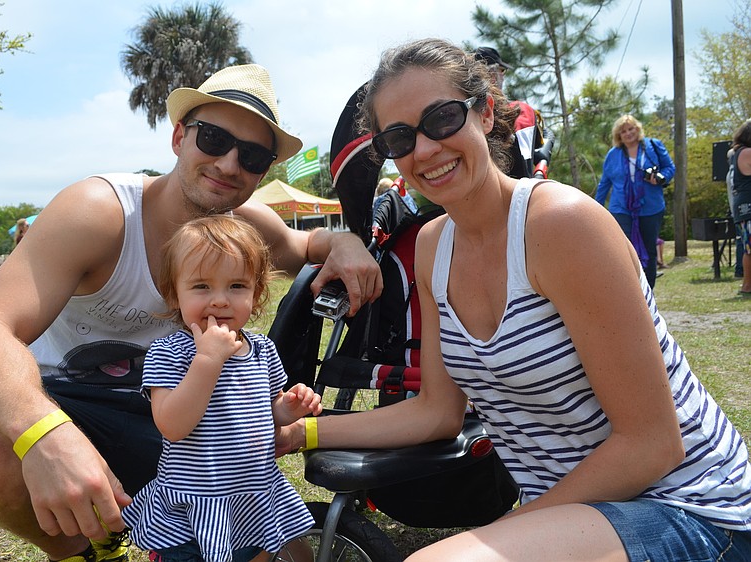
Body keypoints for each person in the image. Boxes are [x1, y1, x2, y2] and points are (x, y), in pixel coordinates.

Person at [277, 38, 751, 561]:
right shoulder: (434, 249)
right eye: (400, 137)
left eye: (441, 118)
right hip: (583, 515)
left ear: (483, 112)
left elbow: (652, 445)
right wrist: (304, 431)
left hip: (694, 507)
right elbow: (436, 413)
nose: (426, 149)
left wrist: (507, 527)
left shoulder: (561, 225)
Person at [0, 63, 381, 562]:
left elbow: (304, 243)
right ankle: (83, 551)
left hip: (174, 407)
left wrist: (344, 242)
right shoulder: (99, 211)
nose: (229, 164)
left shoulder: (241, 226)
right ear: (179, 136)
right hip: (67, 396)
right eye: (213, 138)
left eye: (254, 155)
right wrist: (47, 434)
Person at [122, 216, 321, 562]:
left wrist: (289, 408)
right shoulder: (170, 353)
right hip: (196, 509)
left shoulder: (263, 350)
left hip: (252, 499)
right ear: (174, 294)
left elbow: (266, 409)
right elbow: (172, 424)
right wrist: (208, 362)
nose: (219, 300)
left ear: (256, 293)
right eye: (201, 287)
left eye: (236, 286)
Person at [595, 114, 675, 288]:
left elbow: (670, 168)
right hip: (621, 209)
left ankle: (648, 291)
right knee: (624, 250)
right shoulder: (613, 154)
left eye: (631, 129)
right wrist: (595, 208)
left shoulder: (653, 146)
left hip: (650, 208)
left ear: (637, 129)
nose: (628, 133)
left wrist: (660, 177)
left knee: (649, 250)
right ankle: (629, 289)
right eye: (623, 131)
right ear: (619, 135)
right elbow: (605, 183)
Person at [473, 46, 554, 179]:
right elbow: (532, 150)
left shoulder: (462, 120)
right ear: (492, 76)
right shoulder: (521, 111)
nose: (503, 77)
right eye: (502, 71)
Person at [729, 119, 751, 295]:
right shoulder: (746, 153)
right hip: (748, 207)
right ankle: (747, 285)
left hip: (744, 206)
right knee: (750, 248)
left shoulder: (738, 152)